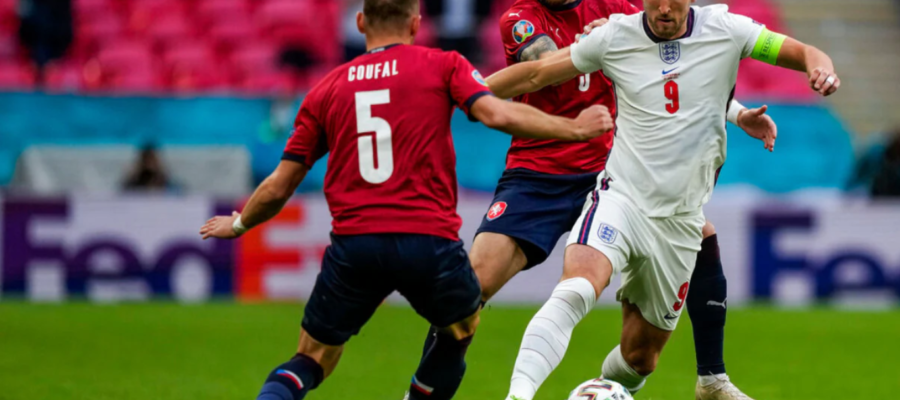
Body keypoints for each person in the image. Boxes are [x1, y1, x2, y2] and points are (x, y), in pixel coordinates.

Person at [198, 1, 614, 399]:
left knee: (311, 357)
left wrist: (238, 224)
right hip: (426, 241)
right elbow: (499, 113)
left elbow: (279, 185)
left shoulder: (326, 88)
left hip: (353, 245)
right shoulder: (441, 65)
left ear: (360, 23)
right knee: (462, 325)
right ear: (416, 23)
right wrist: (574, 128)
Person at [484, 0, 839, 398]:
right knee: (578, 288)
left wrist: (816, 68)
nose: (665, 10)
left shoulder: (727, 28)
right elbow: (535, 73)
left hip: (679, 220)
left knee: (640, 358)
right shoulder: (616, 35)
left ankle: (616, 388)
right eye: (655, 1)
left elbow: (802, 51)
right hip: (621, 197)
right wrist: (464, 90)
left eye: (674, 1)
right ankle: (518, 395)